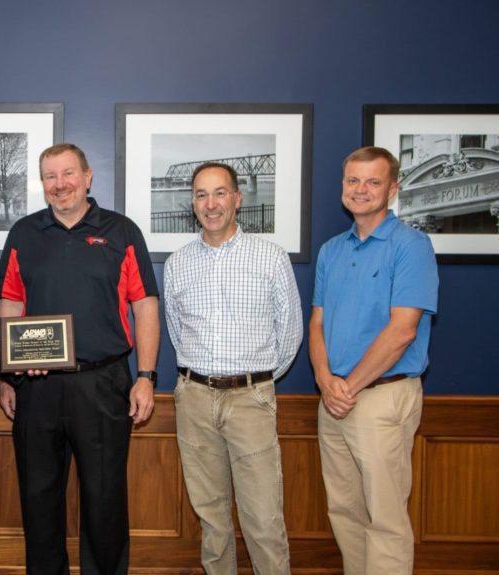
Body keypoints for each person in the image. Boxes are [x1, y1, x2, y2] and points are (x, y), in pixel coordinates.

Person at [0, 143, 160, 575]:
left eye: (68, 173)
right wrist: (7, 376)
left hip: (103, 383)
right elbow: (10, 303)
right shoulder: (24, 233)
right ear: (42, 183)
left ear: (88, 177)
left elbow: (145, 303)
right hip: (37, 386)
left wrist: (145, 376)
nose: (60, 184)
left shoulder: (121, 231)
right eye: (50, 176)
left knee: (105, 499)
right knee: (38, 497)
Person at [164, 162, 302, 575]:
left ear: (238, 199)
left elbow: (290, 331)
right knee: (212, 519)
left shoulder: (271, 258)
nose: (211, 204)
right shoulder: (178, 263)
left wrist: (256, 383)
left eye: (220, 193)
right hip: (194, 397)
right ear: (193, 204)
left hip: (251, 399)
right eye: (202, 195)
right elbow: (176, 330)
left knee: (263, 519)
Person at [309, 146, 439, 575]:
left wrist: (350, 386)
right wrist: (327, 380)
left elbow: (403, 330)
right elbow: (317, 324)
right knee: (344, 511)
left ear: (393, 189)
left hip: (382, 396)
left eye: (372, 181)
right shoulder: (331, 250)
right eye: (352, 181)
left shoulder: (412, 246)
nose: (360, 190)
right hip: (335, 398)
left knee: (384, 518)